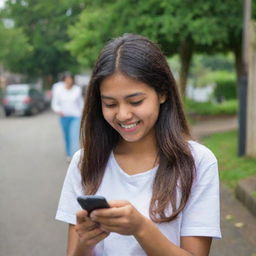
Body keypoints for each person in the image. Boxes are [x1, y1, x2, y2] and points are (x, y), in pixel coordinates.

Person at [55, 34, 221, 256]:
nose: (123, 115)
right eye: (110, 104)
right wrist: (86, 241)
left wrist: (140, 228)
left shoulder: (197, 163)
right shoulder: (84, 162)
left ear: (162, 93)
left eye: (135, 101)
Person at [51, 72, 84, 161]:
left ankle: (75, 157)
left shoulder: (77, 89)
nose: (69, 81)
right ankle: (69, 154)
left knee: (74, 136)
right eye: (67, 79)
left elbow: (80, 103)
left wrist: (82, 111)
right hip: (64, 116)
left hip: (75, 116)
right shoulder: (58, 89)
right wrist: (58, 111)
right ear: (64, 80)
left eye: (70, 79)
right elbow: (55, 103)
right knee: (67, 136)